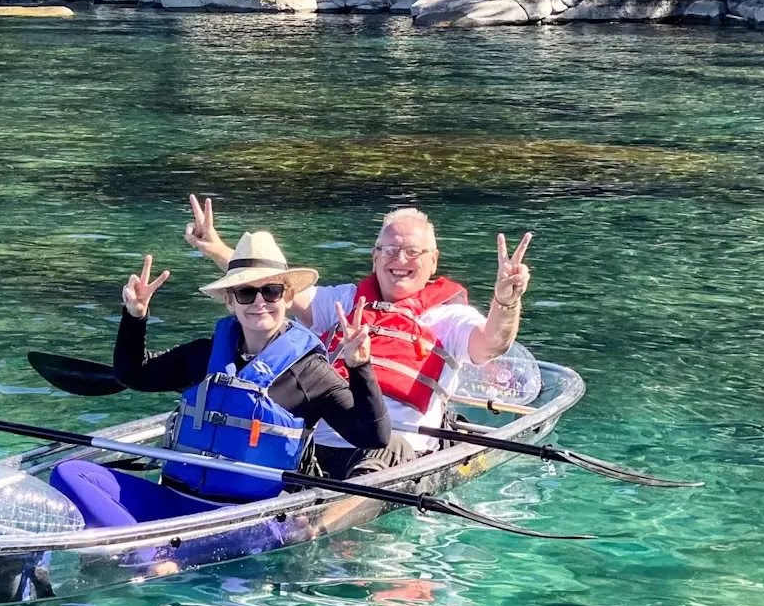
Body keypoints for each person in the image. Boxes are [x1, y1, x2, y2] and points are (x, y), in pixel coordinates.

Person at [49, 231, 391, 529]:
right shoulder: (204, 355)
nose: (259, 302)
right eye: (246, 293)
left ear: (287, 297)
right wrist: (135, 317)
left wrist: (359, 366)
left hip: (248, 520)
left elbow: (373, 436)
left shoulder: (310, 373)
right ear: (229, 301)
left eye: (271, 291)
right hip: (176, 501)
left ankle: (146, 553)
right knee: (70, 472)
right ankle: (150, 553)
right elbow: (134, 374)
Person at [183, 195, 533, 476]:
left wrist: (506, 300)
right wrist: (216, 248)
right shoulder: (345, 301)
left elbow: (493, 343)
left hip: (394, 449)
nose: (400, 259)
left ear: (434, 260)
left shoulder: (450, 319)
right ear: (375, 257)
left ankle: (329, 523)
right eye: (390, 250)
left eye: (413, 252)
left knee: (386, 446)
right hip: (317, 443)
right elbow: (271, 289)